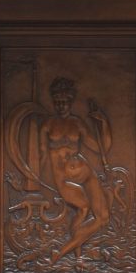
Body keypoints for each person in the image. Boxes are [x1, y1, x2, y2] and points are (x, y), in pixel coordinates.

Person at [38, 78, 113, 262]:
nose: (60, 106)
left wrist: (103, 123)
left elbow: (100, 148)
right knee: (83, 209)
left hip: (85, 173)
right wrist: (32, 178)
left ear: (70, 102)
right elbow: (41, 156)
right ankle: (67, 253)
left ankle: (69, 254)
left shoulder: (78, 123)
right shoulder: (48, 125)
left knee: (103, 217)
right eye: (57, 103)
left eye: (64, 102)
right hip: (63, 178)